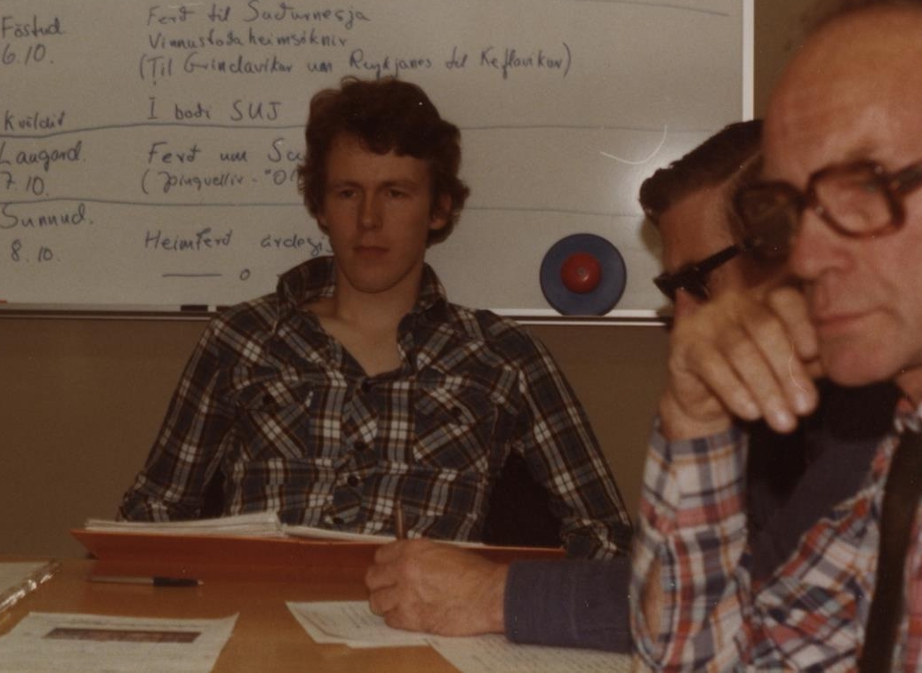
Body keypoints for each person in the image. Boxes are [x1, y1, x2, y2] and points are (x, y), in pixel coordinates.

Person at [366, 119, 897, 650]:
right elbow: (686, 598)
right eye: (672, 291)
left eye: (697, 282)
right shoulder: (766, 406)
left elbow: (755, 607)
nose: (683, 324)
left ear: (789, 254)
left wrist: (492, 595)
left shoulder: (882, 410)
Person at [119, 76, 632, 556]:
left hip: (426, 618)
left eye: (395, 193)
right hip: (264, 612)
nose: (368, 219)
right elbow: (150, 515)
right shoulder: (242, 339)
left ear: (438, 210)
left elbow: (606, 539)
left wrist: (491, 593)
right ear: (320, 207)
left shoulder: (504, 357)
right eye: (348, 193)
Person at [631, 0, 922, 671]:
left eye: (864, 185)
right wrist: (696, 420)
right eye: (788, 206)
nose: (806, 255)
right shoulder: (903, 461)